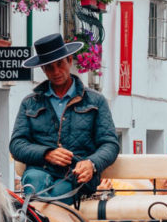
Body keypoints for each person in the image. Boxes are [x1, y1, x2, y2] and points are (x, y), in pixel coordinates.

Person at [10, 32, 119, 205]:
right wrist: (47, 154)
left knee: (56, 197)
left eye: (59, 64)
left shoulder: (96, 101)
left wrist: (91, 164)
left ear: (69, 60)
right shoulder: (29, 103)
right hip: (39, 171)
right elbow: (16, 144)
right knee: (34, 182)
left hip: (76, 174)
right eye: (49, 67)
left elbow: (110, 144)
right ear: (43, 69)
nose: (56, 72)